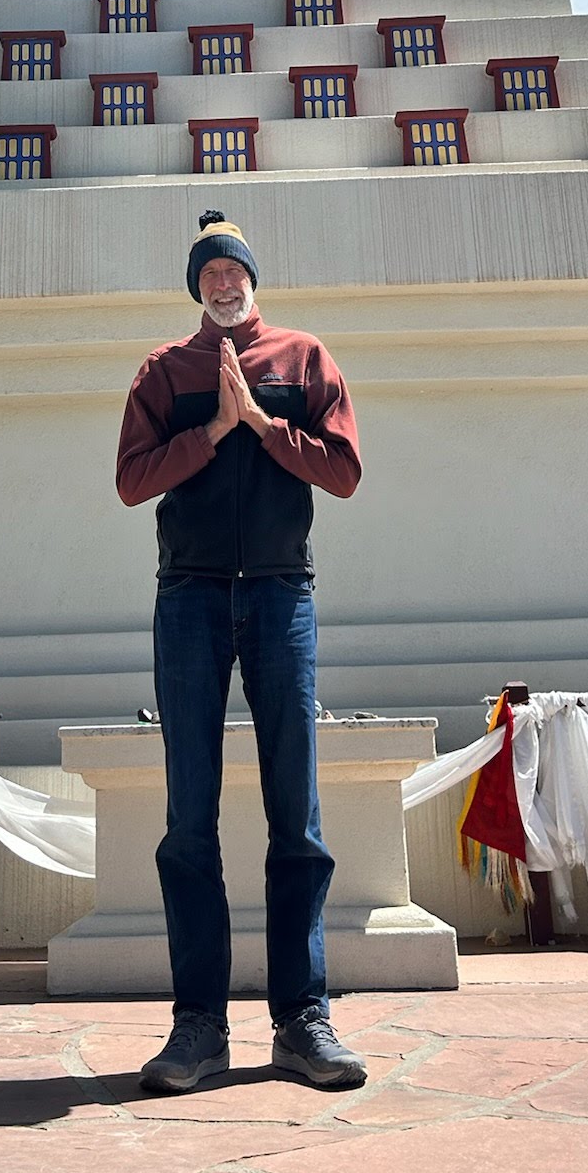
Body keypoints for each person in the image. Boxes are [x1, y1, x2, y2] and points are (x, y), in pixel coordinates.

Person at [115, 210, 367, 1093]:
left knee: (295, 811)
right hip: (187, 598)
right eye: (208, 274)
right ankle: (199, 1028)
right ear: (196, 289)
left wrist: (260, 422)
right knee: (190, 820)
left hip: (279, 592)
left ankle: (302, 1019)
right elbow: (131, 483)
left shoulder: (304, 358)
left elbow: (343, 473)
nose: (224, 284)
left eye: (235, 270)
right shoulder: (164, 370)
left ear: (254, 279)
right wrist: (213, 430)